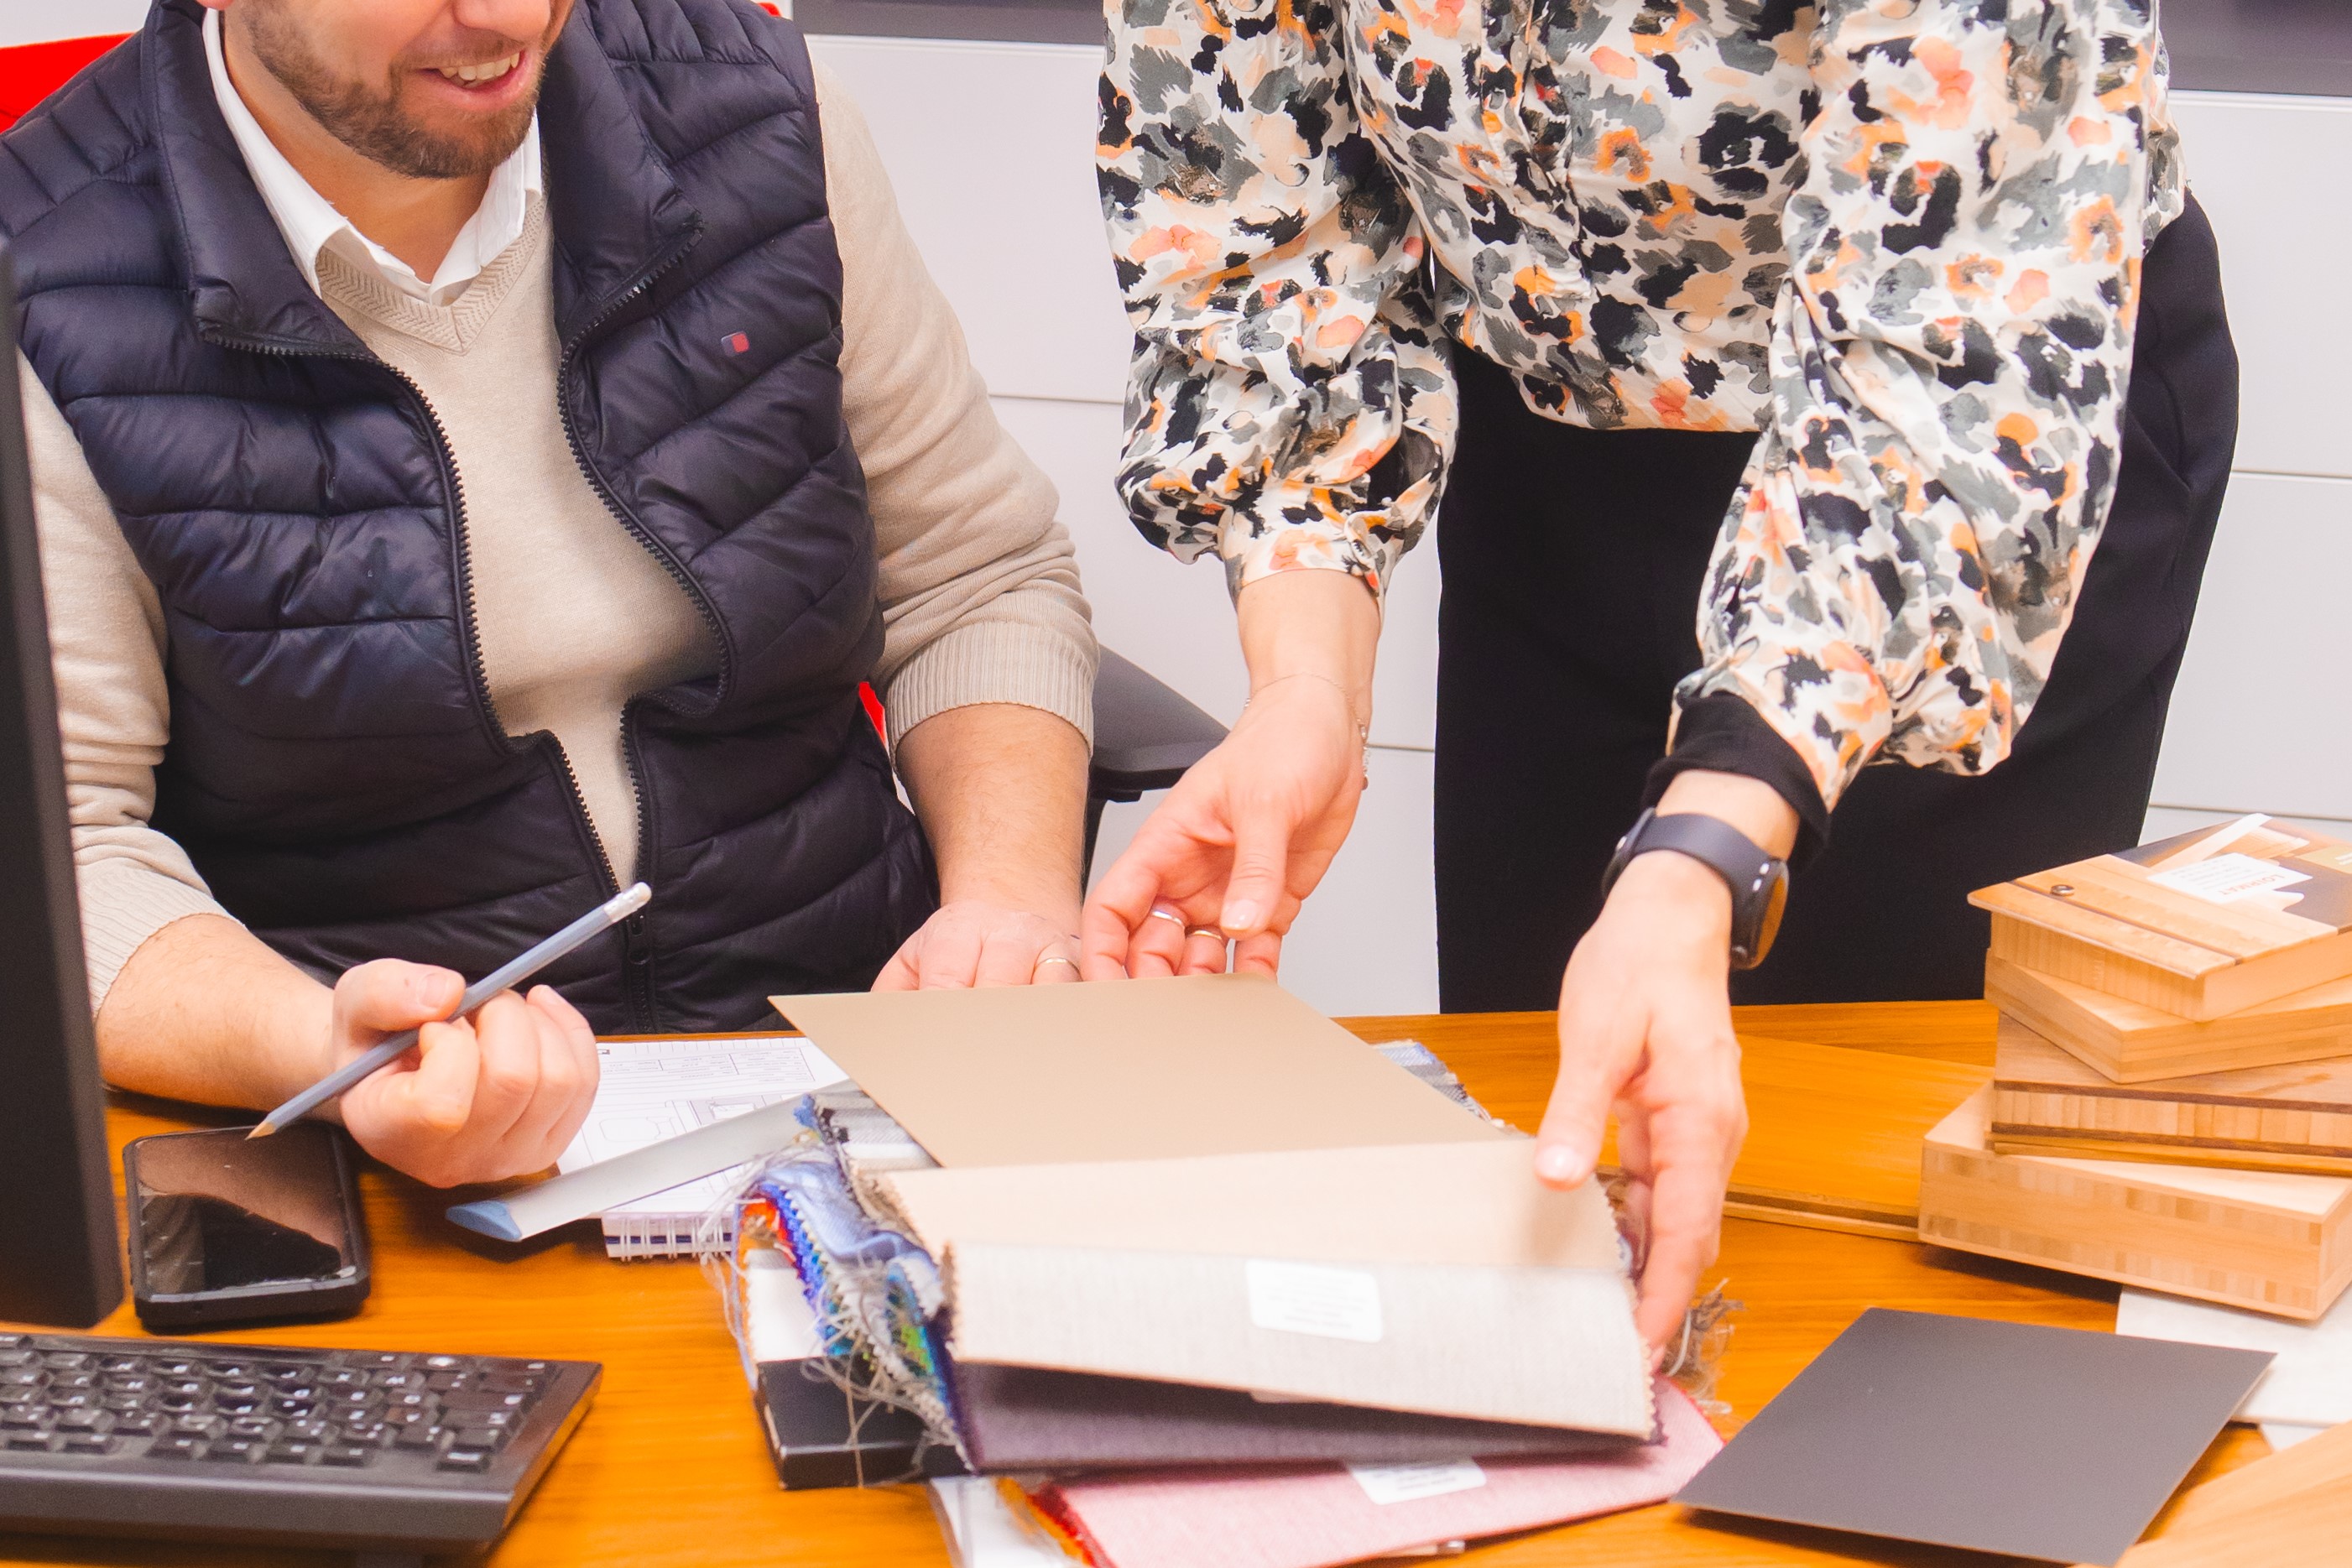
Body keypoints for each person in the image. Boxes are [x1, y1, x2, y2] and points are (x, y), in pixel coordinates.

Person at [1083, 2, 2236, 1350]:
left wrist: (1706, 849)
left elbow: (1946, 340)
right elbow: (1268, 220)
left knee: (1882, 1228)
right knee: (1568, 1164)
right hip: (1557, 435)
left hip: (1947, 450)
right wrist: (1307, 690)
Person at [3, 0, 1098, 1187]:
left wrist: (1007, 904)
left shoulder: (763, 118)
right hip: (378, 1159)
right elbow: (66, 852)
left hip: (861, 1078)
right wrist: (326, 1051)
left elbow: (977, 574)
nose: (503, 17)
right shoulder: (41, 274)